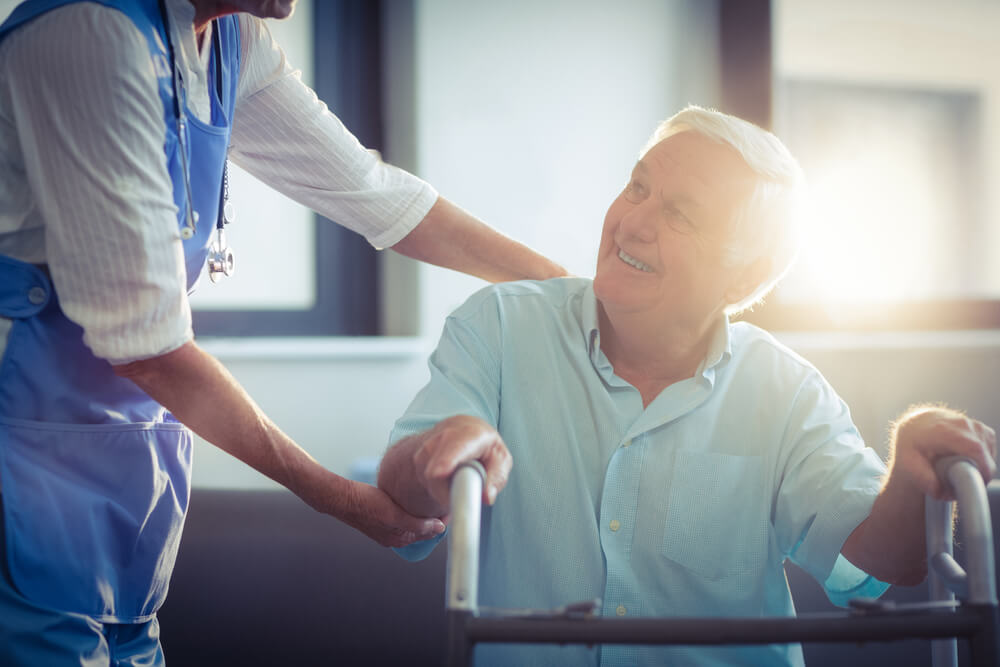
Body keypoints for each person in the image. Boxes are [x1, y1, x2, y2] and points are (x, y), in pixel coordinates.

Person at [0, 0, 566, 664]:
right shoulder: (89, 36)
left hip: (128, 462)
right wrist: (344, 499)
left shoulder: (233, 40)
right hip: (22, 454)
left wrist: (568, 289)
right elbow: (150, 349)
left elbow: (373, 192)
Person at [377, 105, 998, 666]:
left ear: (744, 275)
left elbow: (887, 560)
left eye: (681, 214)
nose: (633, 222)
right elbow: (403, 494)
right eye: (638, 187)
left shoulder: (785, 391)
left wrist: (911, 468)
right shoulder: (500, 326)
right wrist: (436, 452)